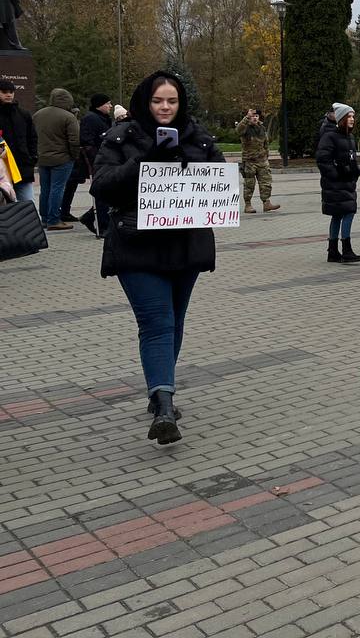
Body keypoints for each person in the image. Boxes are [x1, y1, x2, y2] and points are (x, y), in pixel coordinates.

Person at [89, 71, 224, 445]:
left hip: (185, 248)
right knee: (158, 323)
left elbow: (219, 183)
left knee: (175, 322)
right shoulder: (120, 137)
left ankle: (158, 389)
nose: (165, 107)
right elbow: (101, 185)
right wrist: (145, 162)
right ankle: (164, 405)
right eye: (157, 101)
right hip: (137, 249)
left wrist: (191, 169)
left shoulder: (200, 138)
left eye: (172, 101)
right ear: (144, 102)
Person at [316, 103, 360, 263]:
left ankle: (333, 251)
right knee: (348, 212)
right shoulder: (330, 136)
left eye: (353, 116)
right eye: (349, 116)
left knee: (337, 215)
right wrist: (336, 175)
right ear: (342, 118)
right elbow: (323, 160)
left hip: (347, 182)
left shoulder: (349, 137)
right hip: (336, 183)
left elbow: (351, 158)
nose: (352, 119)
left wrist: (355, 172)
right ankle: (346, 249)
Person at [60, 93, 113, 227]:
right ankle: (99, 221)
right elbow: (86, 140)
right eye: (108, 103)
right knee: (101, 191)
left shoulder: (104, 118)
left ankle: (90, 216)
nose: (110, 106)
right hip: (94, 160)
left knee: (105, 190)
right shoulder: (91, 118)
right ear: (100, 105)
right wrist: (95, 156)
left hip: (103, 158)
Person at [32, 87, 80, 231]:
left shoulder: (38, 115)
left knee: (45, 189)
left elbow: (33, 136)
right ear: (68, 100)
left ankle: (45, 218)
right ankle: (54, 219)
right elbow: (74, 140)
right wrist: (74, 156)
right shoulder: (68, 116)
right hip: (62, 158)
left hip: (42, 158)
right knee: (57, 188)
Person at [0, 79, 38, 204]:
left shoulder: (23, 114)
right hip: (2, 170)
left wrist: (32, 158)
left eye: (11, 91)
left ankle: (29, 224)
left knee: (28, 204)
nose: (8, 94)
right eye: (4, 91)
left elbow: (32, 138)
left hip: (22, 167)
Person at [236, 107, 280, 214]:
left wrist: (266, 155)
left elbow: (266, 143)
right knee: (249, 184)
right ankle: (248, 205)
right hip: (249, 161)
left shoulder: (261, 128)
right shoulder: (245, 128)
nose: (255, 118)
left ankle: (266, 203)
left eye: (256, 116)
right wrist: (247, 117)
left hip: (262, 161)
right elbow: (238, 130)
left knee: (266, 182)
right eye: (252, 116)